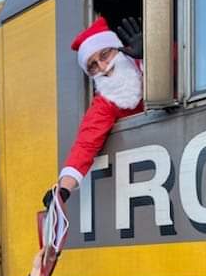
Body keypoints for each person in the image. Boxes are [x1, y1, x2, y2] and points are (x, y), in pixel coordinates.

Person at [43, 15, 143, 208]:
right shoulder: (105, 102)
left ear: (119, 49)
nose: (103, 68)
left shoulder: (145, 64)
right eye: (93, 65)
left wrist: (154, 55)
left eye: (105, 55)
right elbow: (85, 144)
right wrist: (62, 190)